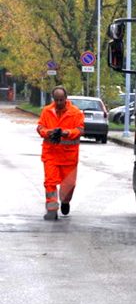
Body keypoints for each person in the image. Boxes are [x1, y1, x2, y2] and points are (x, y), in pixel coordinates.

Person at [36, 86, 84, 220]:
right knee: (50, 182)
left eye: (61, 100)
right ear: (53, 99)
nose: (59, 102)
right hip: (51, 155)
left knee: (69, 185)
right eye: (56, 100)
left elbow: (80, 130)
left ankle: (65, 201)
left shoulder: (75, 113)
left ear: (66, 99)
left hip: (69, 157)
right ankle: (52, 210)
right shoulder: (47, 111)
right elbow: (40, 127)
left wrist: (66, 133)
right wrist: (49, 132)